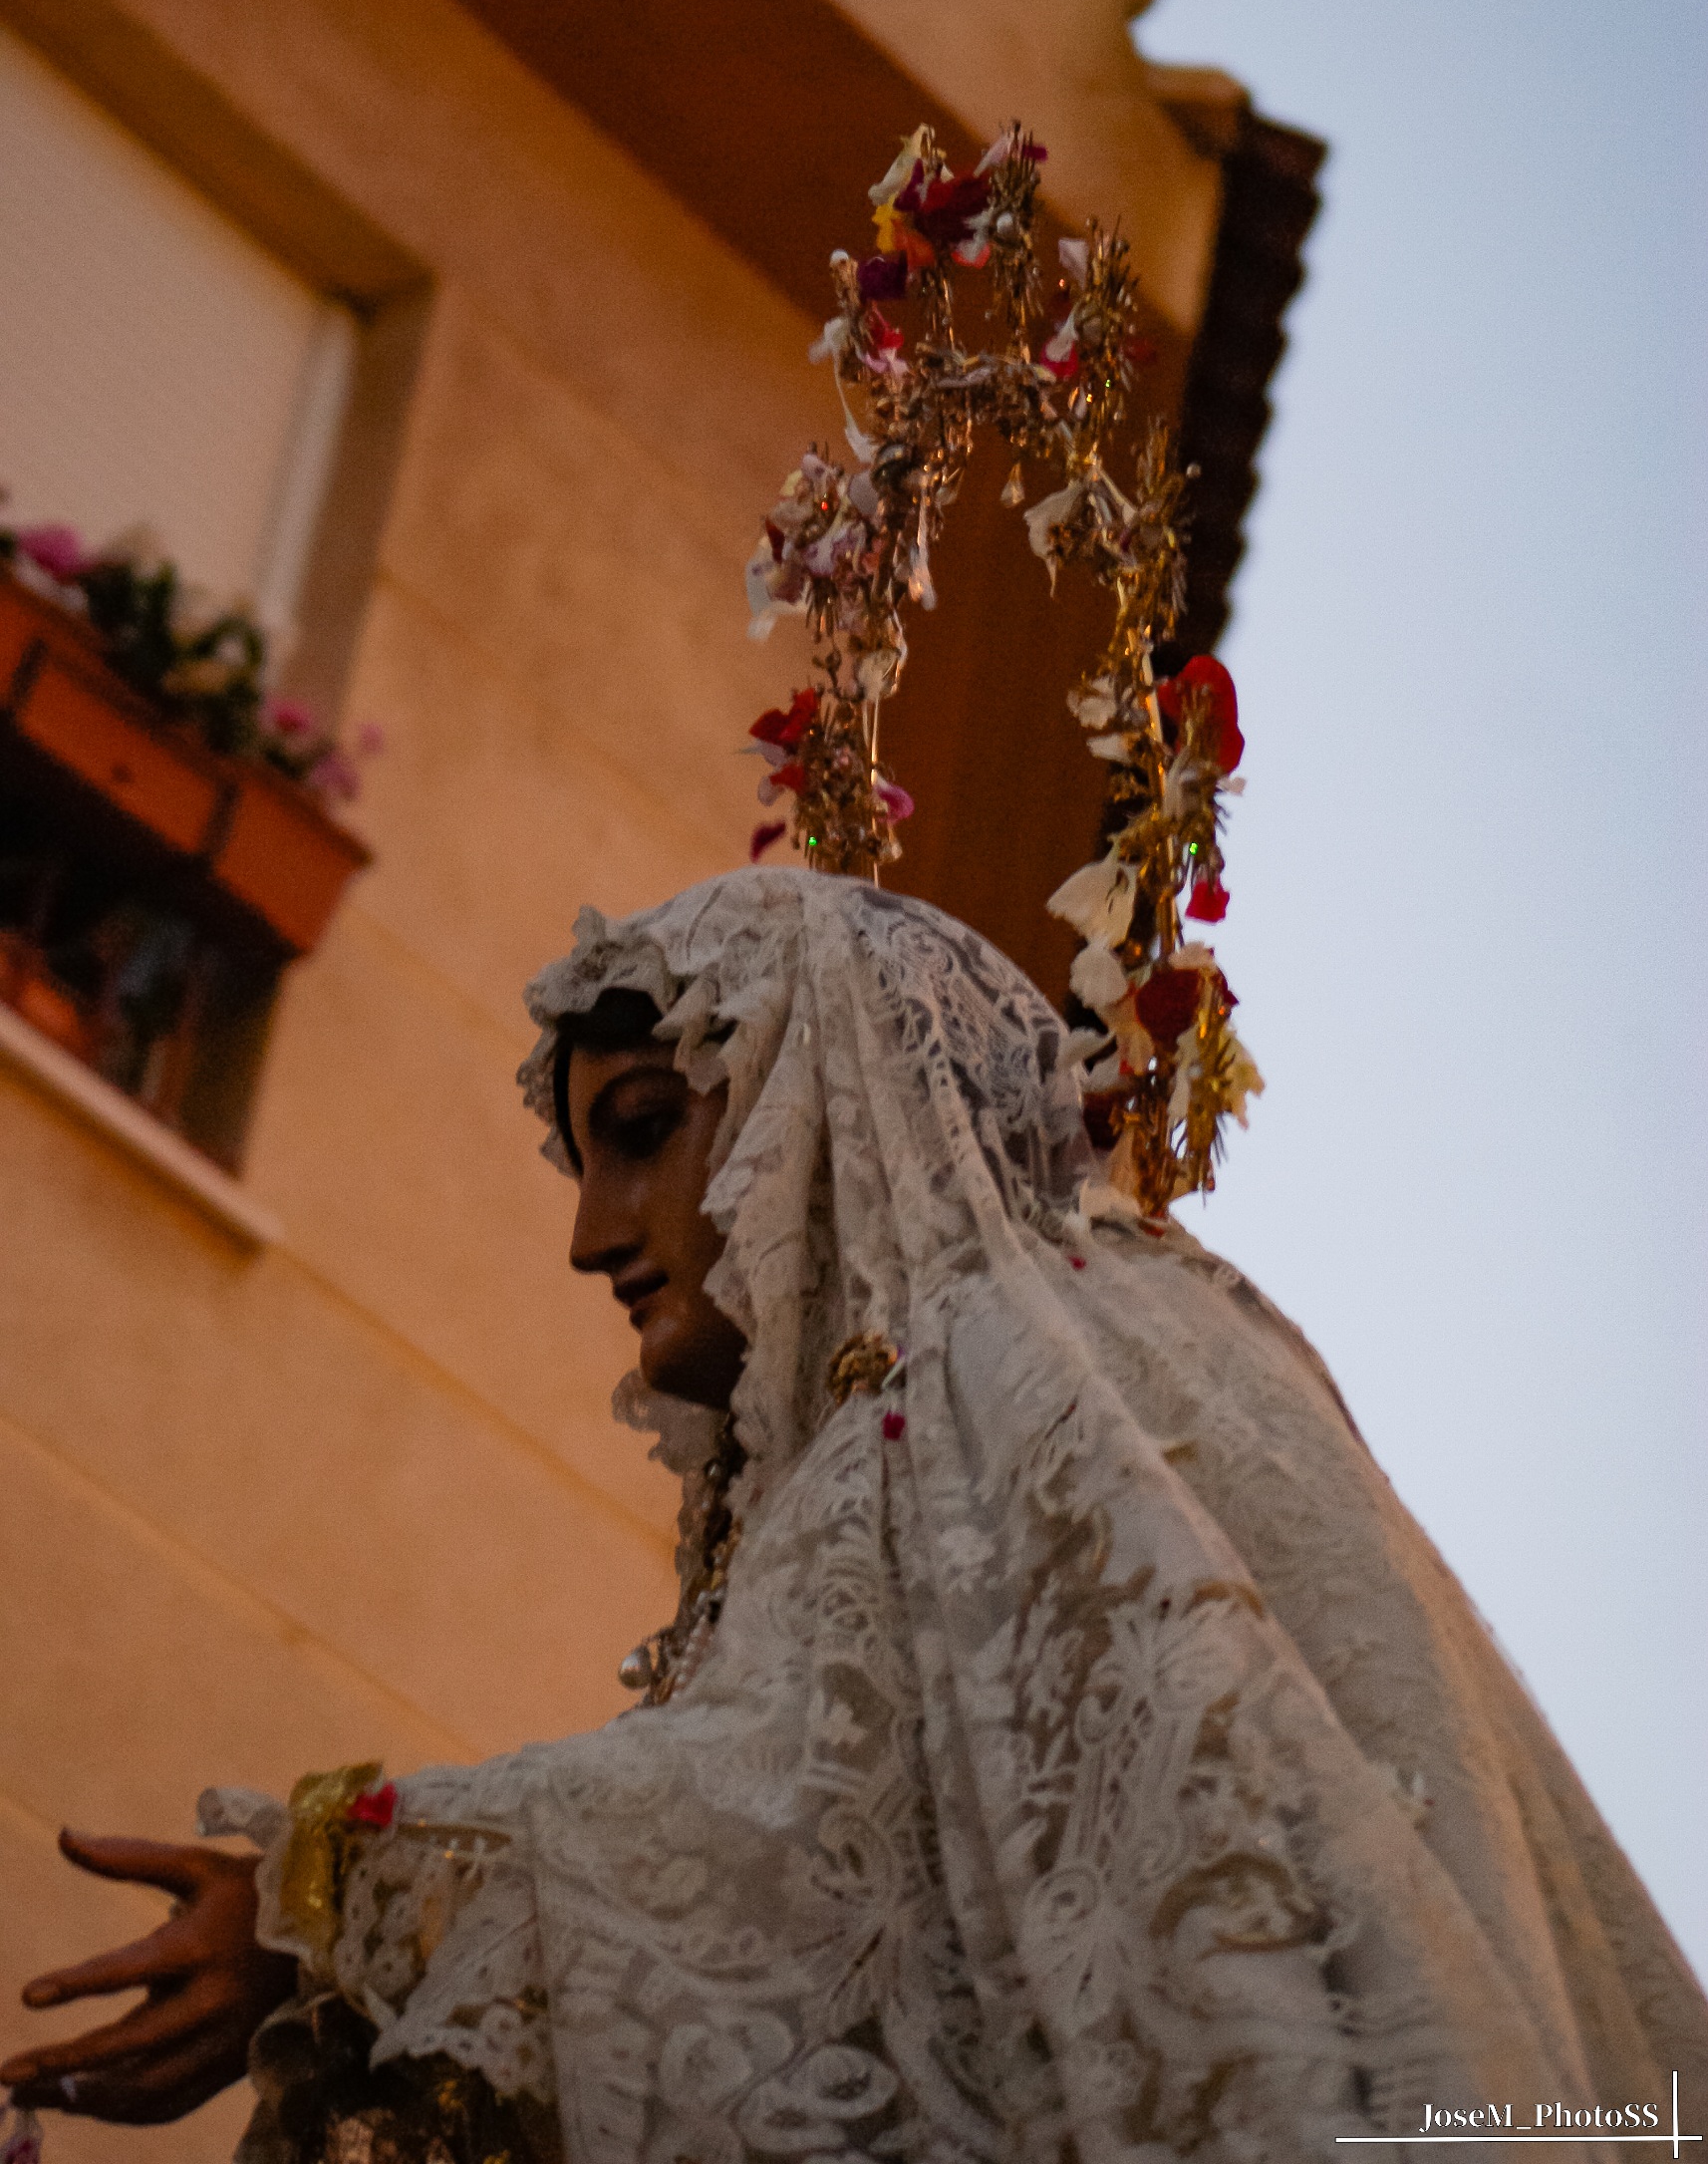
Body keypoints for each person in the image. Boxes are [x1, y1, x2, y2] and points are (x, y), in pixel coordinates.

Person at [5, 869, 1704, 2161]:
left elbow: (766, 1846)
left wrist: (322, 1902)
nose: (591, 1238)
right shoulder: (1030, 1367)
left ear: (812, 1110)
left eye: (645, 1135)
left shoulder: (1004, 1364)